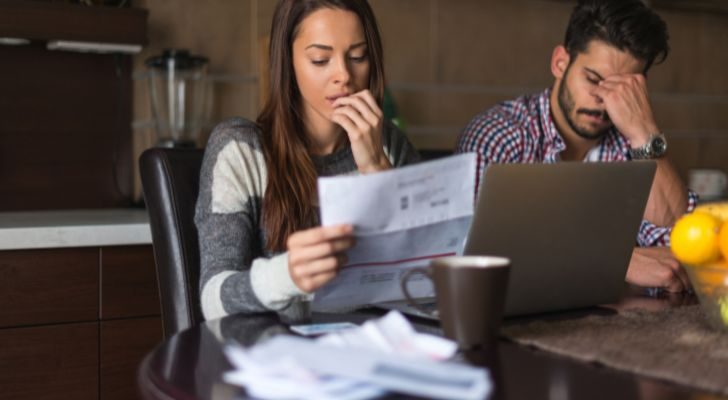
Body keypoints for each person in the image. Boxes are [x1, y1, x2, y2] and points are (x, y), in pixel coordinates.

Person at [195, 0, 419, 320]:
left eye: (358, 56)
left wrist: (377, 170)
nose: (343, 75)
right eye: (320, 59)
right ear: (288, 62)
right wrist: (287, 276)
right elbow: (213, 300)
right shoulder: (241, 150)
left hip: (373, 349)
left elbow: (424, 279)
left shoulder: (391, 148)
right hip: (276, 356)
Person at [456, 0, 697, 292]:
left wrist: (645, 132)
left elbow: (686, 251)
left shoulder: (631, 145)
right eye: (593, 79)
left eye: (620, 88)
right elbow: (474, 261)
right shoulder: (499, 135)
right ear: (560, 62)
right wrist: (617, 261)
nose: (602, 98)